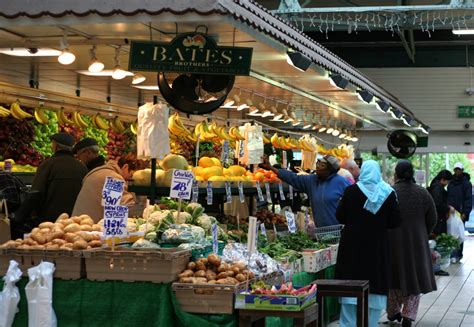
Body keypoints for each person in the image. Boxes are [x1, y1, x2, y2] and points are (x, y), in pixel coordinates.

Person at [335, 160, 401, 327]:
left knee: (350, 286)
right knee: (375, 285)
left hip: (352, 247)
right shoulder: (388, 192)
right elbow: (395, 221)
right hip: (377, 248)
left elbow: (340, 216)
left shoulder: (350, 191)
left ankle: (348, 324)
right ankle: (370, 323)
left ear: (362, 172)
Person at [387, 161, 437, 327]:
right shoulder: (422, 193)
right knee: (413, 278)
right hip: (417, 241)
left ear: (397, 174)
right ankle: (408, 315)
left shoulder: (390, 192)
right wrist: (423, 232)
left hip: (392, 241)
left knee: (393, 278)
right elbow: (433, 218)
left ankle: (394, 312)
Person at [261, 154, 350, 227]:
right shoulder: (312, 181)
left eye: (322, 165)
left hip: (340, 231)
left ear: (330, 170)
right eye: (318, 163)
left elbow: (354, 205)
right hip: (321, 232)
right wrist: (270, 167)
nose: (318, 167)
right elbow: (293, 178)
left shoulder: (342, 183)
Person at [31, 132, 88, 222]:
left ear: (56, 146)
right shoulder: (81, 167)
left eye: (52, 143)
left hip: (50, 218)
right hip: (74, 218)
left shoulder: (48, 164)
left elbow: (36, 192)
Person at [72, 156, 137, 222]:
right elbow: (122, 208)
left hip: (78, 223)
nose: (129, 179)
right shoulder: (113, 178)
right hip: (87, 227)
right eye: (131, 175)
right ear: (126, 167)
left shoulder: (101, 172)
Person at [428, 169, 454, 276]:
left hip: (438, 220)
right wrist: (448, 208)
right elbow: (438, 205)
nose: (448, 184)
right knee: (436, 244)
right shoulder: (437, 189)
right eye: (447, 181)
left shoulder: (436, 187)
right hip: (438, 221)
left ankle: (435, 268)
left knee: (435, 244)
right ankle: (435, 268)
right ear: (443, 179)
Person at [447, 162, 472, 262]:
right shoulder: (451, 183)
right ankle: (452, 254)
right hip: (451, 212)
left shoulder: (466, 183)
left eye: (459, 169)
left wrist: (465, 213)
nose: (457, 171)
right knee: (451, 233)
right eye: (456, 169)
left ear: (462, 170)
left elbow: (468, 199)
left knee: (459, 234)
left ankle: (458, 254)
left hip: (461, 213)